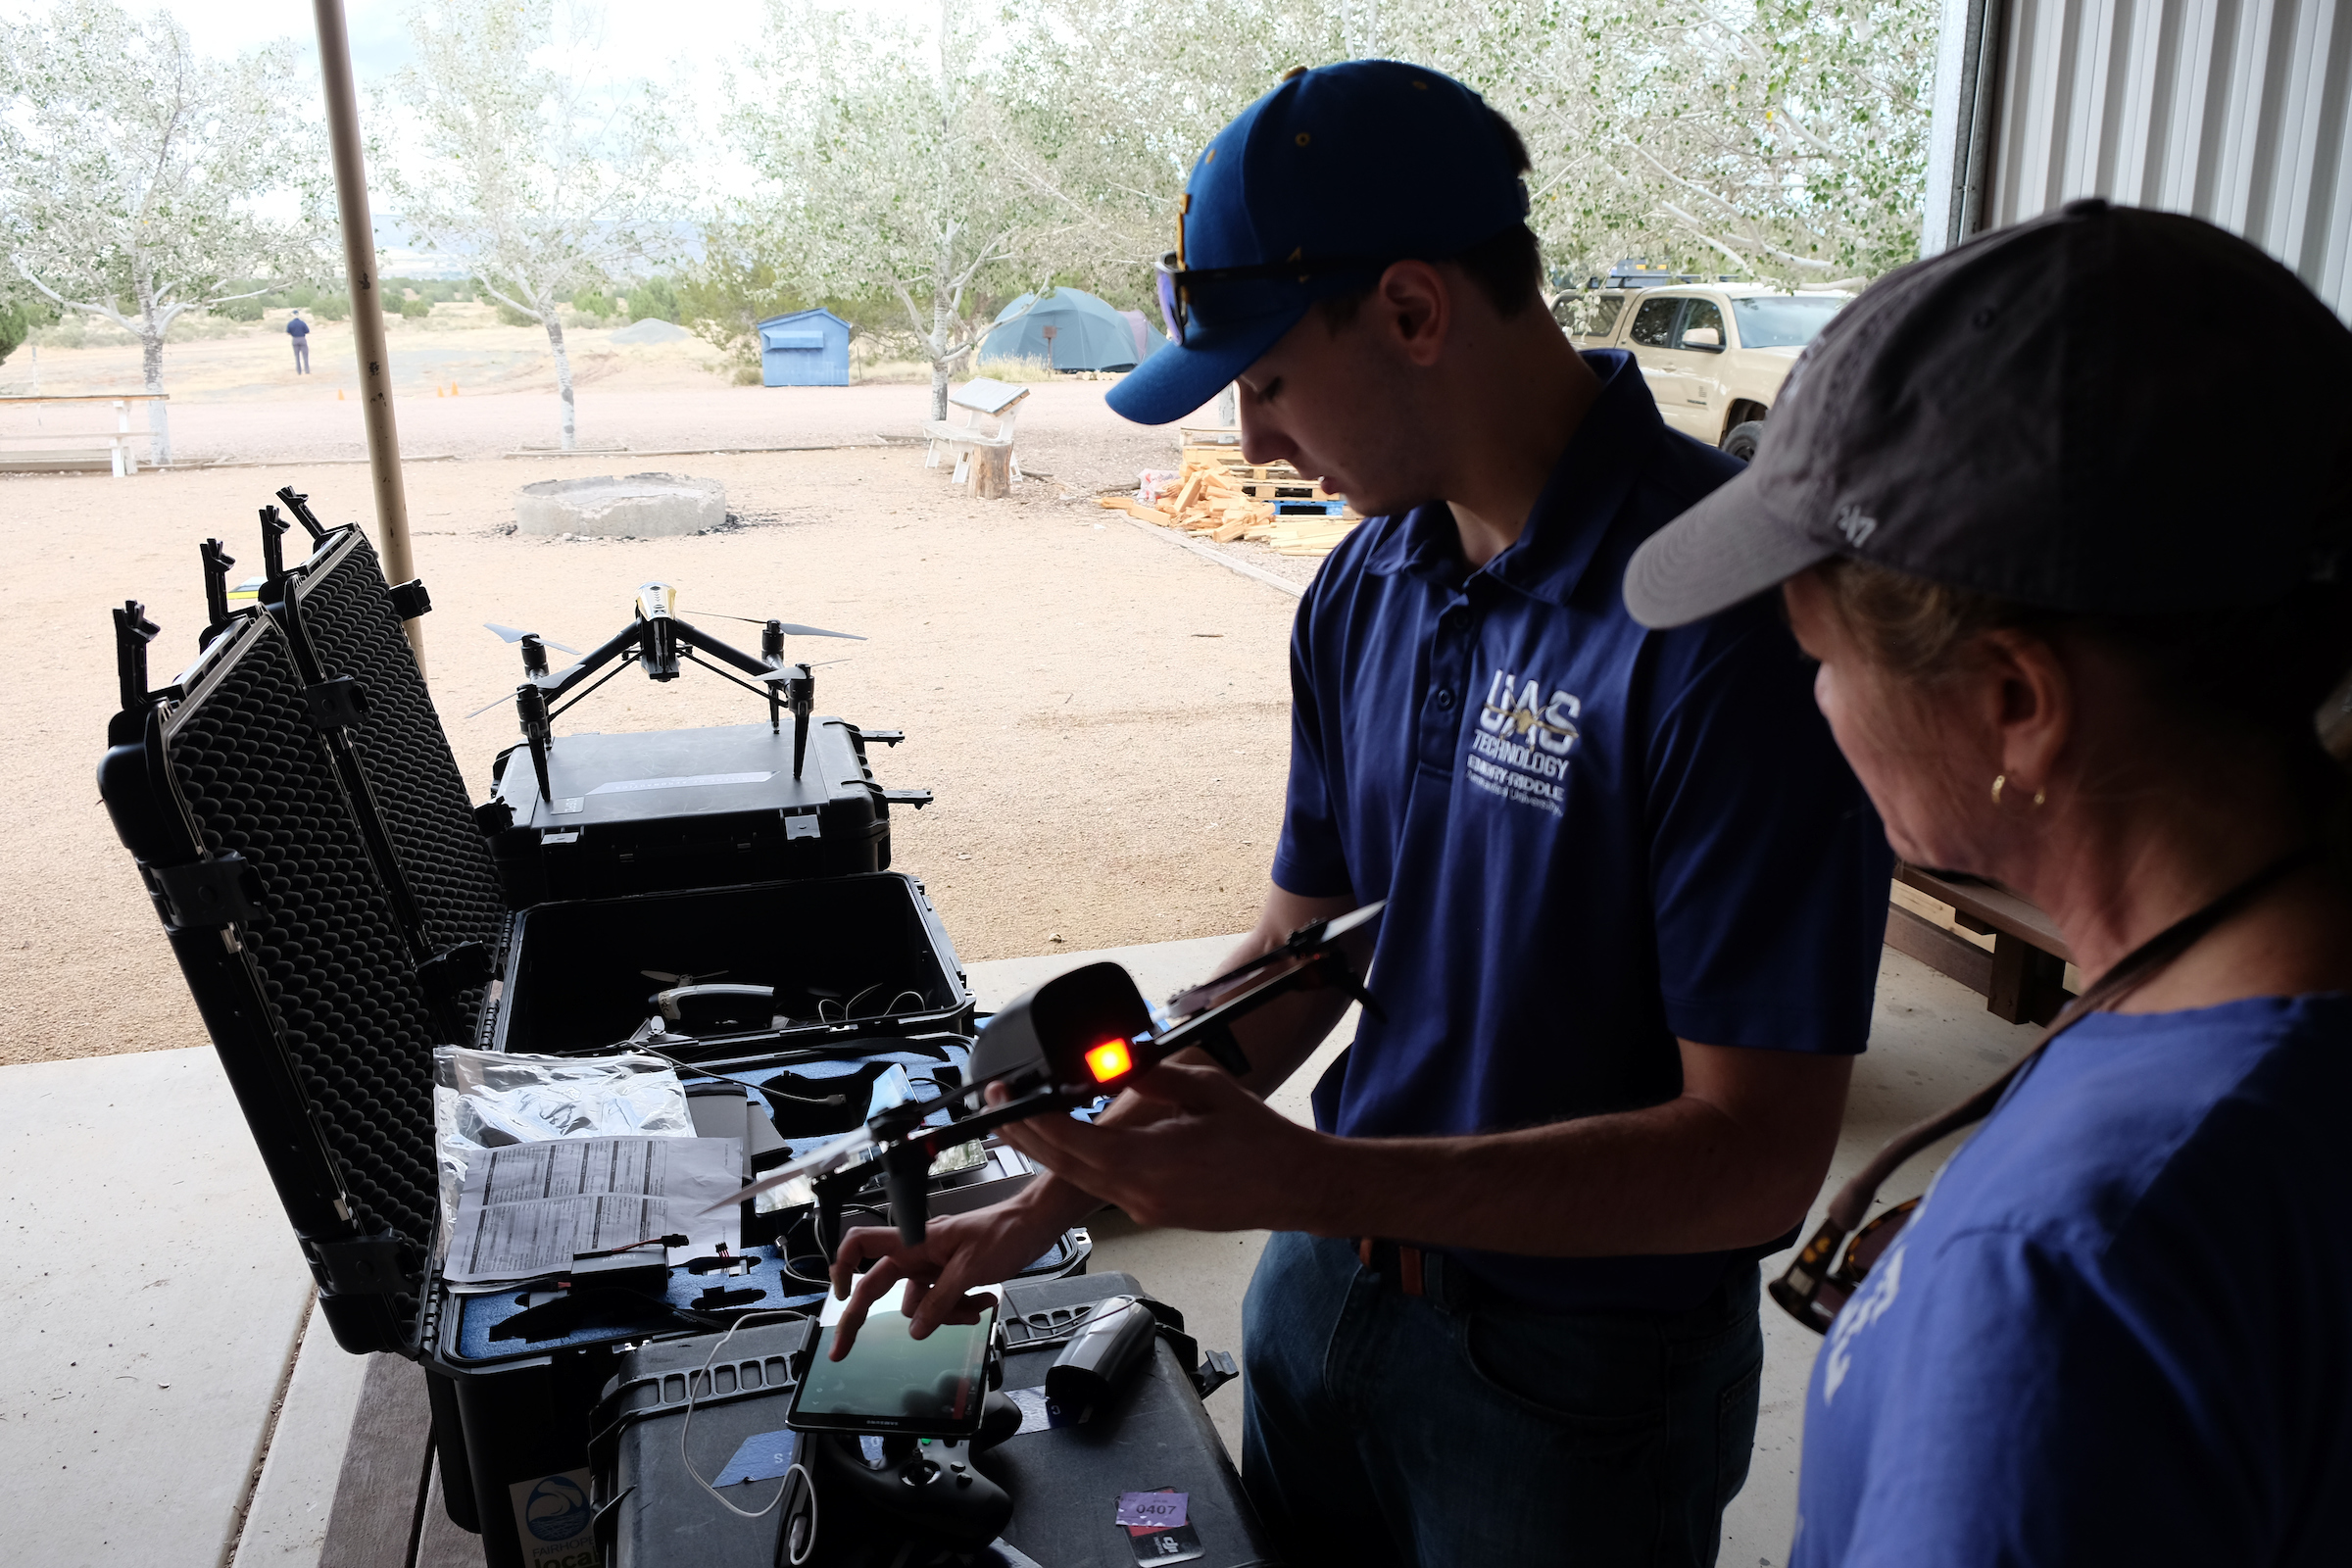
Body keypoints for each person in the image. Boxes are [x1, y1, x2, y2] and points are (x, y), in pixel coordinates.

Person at [828, 61, 1892, 1566]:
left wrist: (1307, 1177)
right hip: (1323, 1299)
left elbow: (1757, 1160)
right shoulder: (1365, 585)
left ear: (1410, 311)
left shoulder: (1723, 625)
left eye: (1264, 380)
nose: (1254, 444)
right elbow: (1298, 954)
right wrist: (1038, 1193)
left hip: (1572, 1384)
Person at [1620, 199, 2352, 1564]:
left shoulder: (2066, 1273)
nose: (1818, 705)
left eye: (1823, 658)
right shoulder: (2250, 1017)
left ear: (2016, 701)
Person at [286, 309, 310, 373]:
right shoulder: (302, 323)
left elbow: (288, 332)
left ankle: (299, 371)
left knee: (297, 356)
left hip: (294, 339)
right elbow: (307, 331)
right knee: (305, 355)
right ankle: (307, 370)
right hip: (302, 338)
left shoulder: (290, 323)